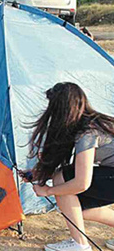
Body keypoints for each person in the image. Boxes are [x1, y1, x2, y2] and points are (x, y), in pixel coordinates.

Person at [26, 82, 114, 251]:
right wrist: (38, 174)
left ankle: (80, 245)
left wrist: (48, 191)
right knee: (76, 208)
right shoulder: (92, 123)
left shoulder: (88, 132)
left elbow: (81, 183)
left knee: (64, 178)